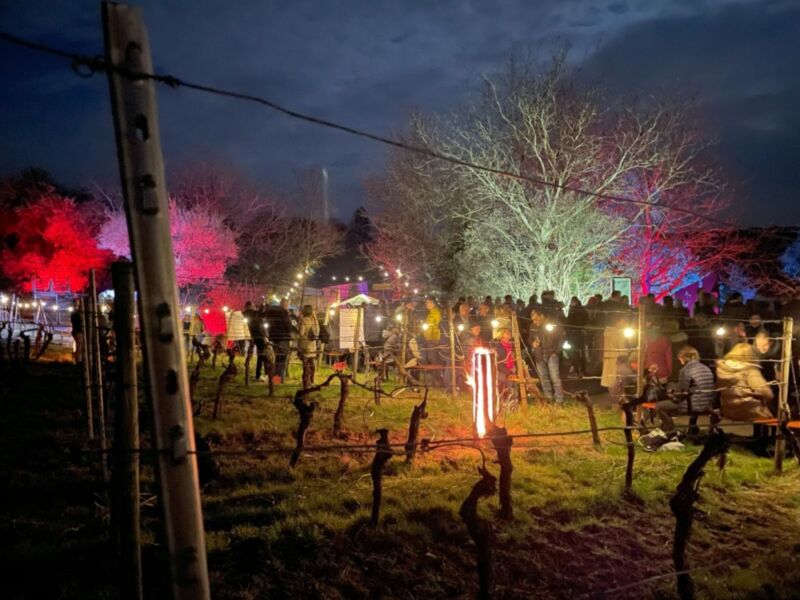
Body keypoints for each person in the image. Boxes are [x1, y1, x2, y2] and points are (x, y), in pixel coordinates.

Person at [655, 346, 715, 432]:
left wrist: (671, 395)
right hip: (707, 404)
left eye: (680, 358)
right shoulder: (706, 368)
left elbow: (681, 393)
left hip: (692, 405)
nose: (680, 360)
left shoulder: (686, 370)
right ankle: (692, 426)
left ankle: (671, 430)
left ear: (684, 357)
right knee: (673, 385)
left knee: (659, 406)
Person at [716, 343, 773, 421]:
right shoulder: (750, 370)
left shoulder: (721, 370)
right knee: (774, 409)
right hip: (749, 411)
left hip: (729, 410)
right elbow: (767, 393)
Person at [528, 309, 565, 404]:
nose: (534, 322)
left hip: (551, 354)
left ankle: (559, 399)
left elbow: (560, 338)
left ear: (542, 316)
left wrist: (556, 352)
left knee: (555, 377)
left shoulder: (551, 325)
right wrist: (532, 343)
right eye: (533, 320)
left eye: (536, 319)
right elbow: (529, 338)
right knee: (543, 378)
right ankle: (548, 397)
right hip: (539, 354)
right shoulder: (532, 326)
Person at [265, 298, 293, 383]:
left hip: (274, 338)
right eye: (287, 304)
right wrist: (291, 329)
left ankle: (275, 378)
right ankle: (279, 379)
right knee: (282, 359)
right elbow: (288, 326)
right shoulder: (284, 313)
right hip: (283, 338)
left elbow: (268, 324)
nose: (288, 306)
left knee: (277, 358)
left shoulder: (271, 312)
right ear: (284, 304)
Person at [297, 305, 320, 388]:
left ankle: (306, 382)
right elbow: (317, 332)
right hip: (312, 347)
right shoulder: (314, 321)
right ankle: (311, 381)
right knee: (312, 365)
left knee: (306, 366)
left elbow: (301, 333)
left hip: (304, 346)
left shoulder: (303, 320)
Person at [565, 296, 588, 378]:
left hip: (573, 334)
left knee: (574, 353)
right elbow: (586, 320)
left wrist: (567, 332)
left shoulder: (573, 311)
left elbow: (569, 322)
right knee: (581, 352)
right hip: (581, 333)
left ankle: (577, 370)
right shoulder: (583, 310)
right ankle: (583, 370)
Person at [421, 297, 442, 366]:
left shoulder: (436, 313)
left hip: (433, 338)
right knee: (430, 357)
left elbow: (438, 324)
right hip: (429, 338)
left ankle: (436, 375)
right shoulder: (431, 313)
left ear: (432, 303)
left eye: (428, 302)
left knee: (432, 357)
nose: (426, 304)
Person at [71, 299, 83, 364]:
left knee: (79, 345)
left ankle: (78, 359)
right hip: (78, 331)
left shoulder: (74, 314)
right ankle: (78, 360)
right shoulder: (77, 314)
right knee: (79, 346)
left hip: (76, 331)